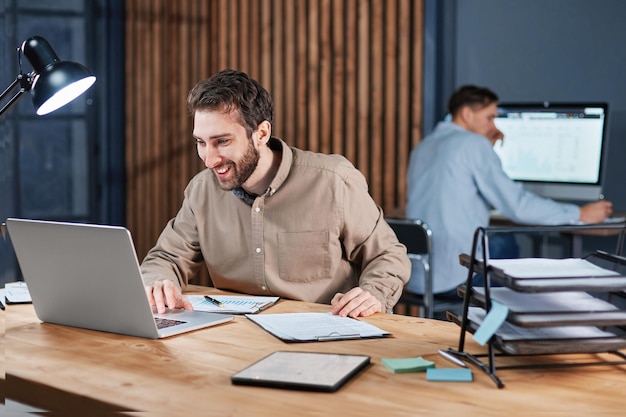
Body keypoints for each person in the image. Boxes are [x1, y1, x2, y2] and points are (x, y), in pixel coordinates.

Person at [141, 69, 411, 318]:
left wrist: (373, 293)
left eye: (222, 142)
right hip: (233, 339)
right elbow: (166, 258)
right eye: (201, 143)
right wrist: (158, 282)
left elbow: (388, 256)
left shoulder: (333, 182)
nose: (209, 159)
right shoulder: (202, 190)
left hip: (324, 338)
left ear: (261, 133)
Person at [405, 85, 612, 299]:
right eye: (490, 117)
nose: (494, 125)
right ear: (467, 114)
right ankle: (504, 327)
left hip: (419, 277)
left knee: (496, 244)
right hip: (454, 277)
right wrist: (579, 214)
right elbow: (518, 206)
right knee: (506, 244)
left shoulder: (424, 145)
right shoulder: (472, 144)